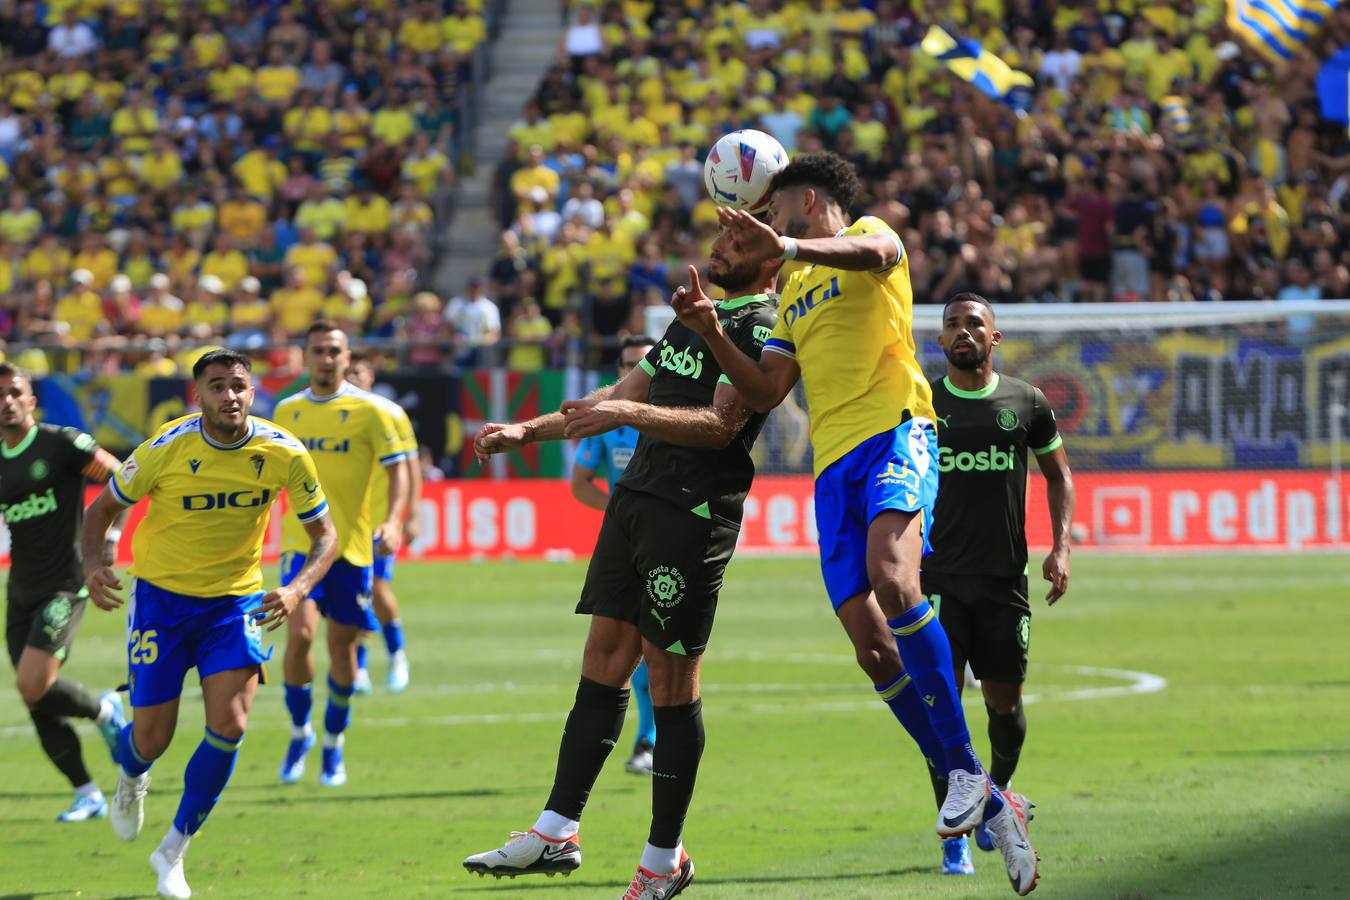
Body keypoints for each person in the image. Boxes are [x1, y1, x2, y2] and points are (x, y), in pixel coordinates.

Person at [670, 152, 1038, 895]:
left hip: (896, 431)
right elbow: (770, 389)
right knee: (873, 649)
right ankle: (990, 796)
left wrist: (790, 247)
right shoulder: (794, 289)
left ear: (807, 201)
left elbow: (873, 251)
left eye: (776, 214)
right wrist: (711, 331)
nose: (770, 227)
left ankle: (964, 772)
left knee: (895, 580)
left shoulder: (871, 238)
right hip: (831, 468)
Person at [463, 223, 780, 898]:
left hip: (693, 511)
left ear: (770, 259)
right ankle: (556, 829)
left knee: (670, 679)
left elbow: (722, 425)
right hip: (636, 499)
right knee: (604, 656)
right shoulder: (694, 320)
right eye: (718, 242)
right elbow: (617, 398)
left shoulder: (768, 326)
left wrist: (631, 410)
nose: (717, 251)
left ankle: (664, 858)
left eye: (734, 246)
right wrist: (530, 431)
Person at [81, 349, 337, 899]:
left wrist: (296, 589)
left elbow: (326, 537)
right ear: (198, 395)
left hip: (234, 605)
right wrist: (95, 564)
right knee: (152, 738)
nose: (230, 396)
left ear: (253, 391)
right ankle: (131, 774)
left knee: (232, 724)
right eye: (217, 387)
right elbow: (100, 508)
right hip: (161, 602)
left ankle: (173, 851)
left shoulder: (283, 451)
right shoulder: (164, 448)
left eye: (239, 386)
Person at [924, 293, 1075, 876]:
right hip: (934, 579)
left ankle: (997, 798)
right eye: (953, 325)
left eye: (975, 324)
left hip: (1004, 580)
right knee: (944, 709)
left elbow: (1059, 476)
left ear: (995, 337)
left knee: (1004, 705)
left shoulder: (1026, 402)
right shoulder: (922, 401)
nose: (964, 332)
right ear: (941, 341)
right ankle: (952, 835)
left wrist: (1061, 546)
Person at [275, 322, 409, 787]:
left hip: (352, 552)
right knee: (300, 635)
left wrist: (393, 521)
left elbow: (399, 472)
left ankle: (333, 741)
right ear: (304, 356)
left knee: (342, 649)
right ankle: (300, 732)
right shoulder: (286, 412)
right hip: (300, 547)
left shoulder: (371, 412)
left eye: (334, 350)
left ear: (346, 355)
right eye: (318, 350)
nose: (326, 358)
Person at [0, 363, 125, 822]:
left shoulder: (62, 444)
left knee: (33, 683)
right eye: (0, 395)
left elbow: (121, 479)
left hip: (66, 584)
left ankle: (106, 711)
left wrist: (110, 539)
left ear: (31, 401)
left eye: (15, 392)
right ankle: (87, 792)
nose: (7, 401)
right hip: (20, 589)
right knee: (34, 696)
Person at [570, 335, 658, 776]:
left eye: (640, 365)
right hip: (625, 543)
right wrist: (620, 511)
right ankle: (648, 739)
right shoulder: (609, 419)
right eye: (626, 365)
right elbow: (580, 480)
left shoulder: (672, 414)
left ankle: (651, 739)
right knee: (629, 640)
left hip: (670, 540)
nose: (631, 373)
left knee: (657, 643)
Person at [345, 351, 420, 694]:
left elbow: (410, 467)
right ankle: (358, 666)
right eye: (347, 373)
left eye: (357, 372)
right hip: (343, 523)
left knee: (374, 588)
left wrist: (411, 514)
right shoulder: (332, 414)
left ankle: (395, 655)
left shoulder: (390, 413)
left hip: (378, 521)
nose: (352, 379)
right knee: (354, 595)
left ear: (371, 375)